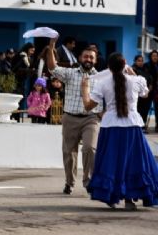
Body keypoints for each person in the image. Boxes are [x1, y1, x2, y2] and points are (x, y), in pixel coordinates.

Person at [81, 53, 158, 210]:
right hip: (132, 126)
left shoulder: (103, 83)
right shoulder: (137, 80)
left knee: (112, 162)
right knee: (134, 162)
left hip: (111, 126)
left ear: (109, 67)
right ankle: (130, 200)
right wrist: (133, 73)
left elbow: (88, 106)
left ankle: (112, 197)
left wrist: (84, 90)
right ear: (125, 65)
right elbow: (145, 94)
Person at [45, 37, 101, 195]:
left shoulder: (100, 78)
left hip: (91, 118)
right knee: (69, 152)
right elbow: (52, 68)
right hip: (70, 117)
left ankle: (89, 181)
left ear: (95, 60)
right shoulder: (70, 73)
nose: (88, 59)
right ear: (80, 58)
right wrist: (51, 47)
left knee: (90, 148)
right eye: (86, 56)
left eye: (91, 57)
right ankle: (69, 182)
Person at [132, 54, 152, 130]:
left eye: (142, 61)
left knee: (145, 110)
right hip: (137, 95)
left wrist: (149, 88)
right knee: (138, 110)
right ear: (135, 61)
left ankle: (143, 125)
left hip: (147, 94)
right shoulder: (133, 69)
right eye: (139, 61)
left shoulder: (145, 69)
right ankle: (138, 126)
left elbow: (150, 79)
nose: (141, 62)